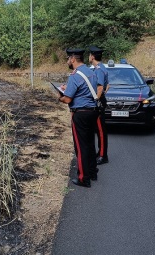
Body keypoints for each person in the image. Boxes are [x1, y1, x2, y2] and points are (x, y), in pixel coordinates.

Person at [58, 48, 99, 187]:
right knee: (90, 143)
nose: (67, 61)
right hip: (92, 112)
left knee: (80, 147)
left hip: (80, 114)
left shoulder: (75, 76)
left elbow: (68, 99)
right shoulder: (90, 72)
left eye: (68, 59)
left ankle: (83, 178)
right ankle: (93, 172)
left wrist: (60, 97)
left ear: (73, 59)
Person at [89, 46, 109, 165]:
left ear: (92, 56)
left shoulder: (99, 70)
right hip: (100, 100)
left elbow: (100, 87)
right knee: (98, 129)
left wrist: (96, 100)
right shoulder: (99, 68)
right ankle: (100, 152)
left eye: (90, 55)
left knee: (101, 130)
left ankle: (103, 155)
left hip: (99, 102)